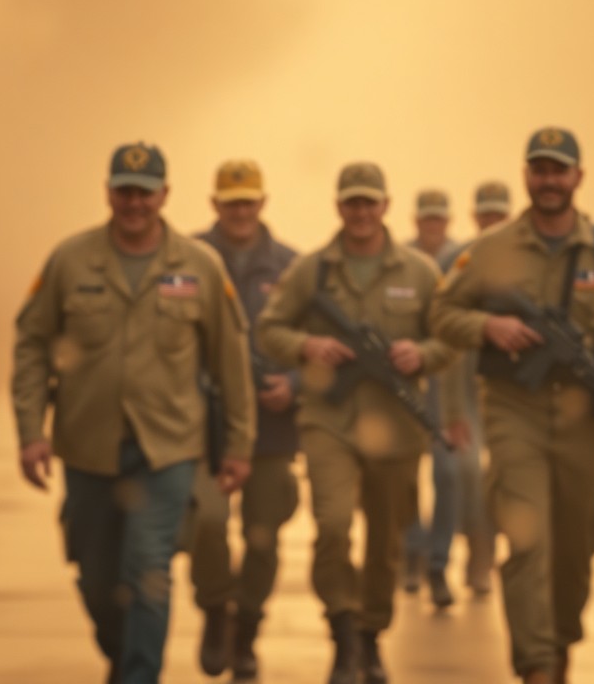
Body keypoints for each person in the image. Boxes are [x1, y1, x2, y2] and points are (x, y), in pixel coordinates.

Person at [11, 142, 255, 684]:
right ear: (108, 192)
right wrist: (31, 433)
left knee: (148, 571)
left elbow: (230, 361)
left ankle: (139, 676)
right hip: (88, 446)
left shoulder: (198, 266)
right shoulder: (70, 261)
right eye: (124, 191)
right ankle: (122, 656)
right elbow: (31, 344)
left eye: (145, 193)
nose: (134, 203)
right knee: (98, 581)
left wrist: (238, 446)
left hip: (167, 449)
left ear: (165, 195)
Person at [430, 127, 594, 684]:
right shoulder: (490, 251)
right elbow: (442, 316)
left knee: (577, 544)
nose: (549, 180)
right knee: (528, 536)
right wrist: (489, 325)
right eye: (540, 170)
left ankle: (559, 644)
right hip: (515, 411)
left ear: (578, 178)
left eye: (560, 170)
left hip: (588, 417)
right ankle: (536, 664)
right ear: (525, 175)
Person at [255, 162, 456, 684]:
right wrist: (308, 346)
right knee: (334, 525)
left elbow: (450, 337)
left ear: (386, 206)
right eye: (352, 202)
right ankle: (342, 630)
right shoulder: (314, 271)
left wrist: (424, 353)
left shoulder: (418, 272)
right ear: (339, 206)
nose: (361, 212)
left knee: (386, 540)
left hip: (395, 426)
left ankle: (370, 635)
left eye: (370, 202)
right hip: (331, 420)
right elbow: (269, 328)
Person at [189, 159, 300, 681]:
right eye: (230, 202)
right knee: (206, 524)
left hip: (272, 430)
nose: (239, 211)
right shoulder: (186, 259)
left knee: (263, 536)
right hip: (204, 428)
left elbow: (315, 345)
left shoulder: (292, 268)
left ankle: (248, 630)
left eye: (248, 201)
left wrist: (294, 386)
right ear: (215, 204)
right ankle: (215, 610)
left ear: (262, 203)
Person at [440, 180, 516, 598]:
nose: (492, 221)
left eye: (498, 214)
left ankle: (486, 556)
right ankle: (475, 550)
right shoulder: (458, 260)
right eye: (485, 214)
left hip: (509, 386)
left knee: (502, 474)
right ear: (474, 216)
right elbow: (446, 331)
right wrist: (449, 406)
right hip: (465, 384)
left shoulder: (527, 260)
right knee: (466, 472)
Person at [401, 189, 462, 607]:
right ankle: (412, 552)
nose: (432, 225)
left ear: (449, 220)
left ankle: (439, 564)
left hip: (448, 375)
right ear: (416, 220)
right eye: (427, 218)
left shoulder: (464, 261)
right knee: (403, 474)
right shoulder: (400, 258)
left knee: (451, 472)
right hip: (405, 377)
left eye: (439, 219)